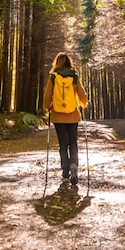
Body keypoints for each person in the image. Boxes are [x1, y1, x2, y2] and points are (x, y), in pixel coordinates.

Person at [44, 52, 88, 186]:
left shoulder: (53, 77)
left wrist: (48, 107)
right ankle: (74, 165)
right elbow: (81, 94)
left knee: (63, 144)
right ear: (69, 62)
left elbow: (47, 95)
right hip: (73, 115)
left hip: (58, 115)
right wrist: (84, 103)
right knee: (73, 142)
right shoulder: (74, 76)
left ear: (57, 63)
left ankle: (65, 172)